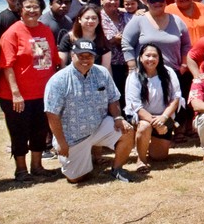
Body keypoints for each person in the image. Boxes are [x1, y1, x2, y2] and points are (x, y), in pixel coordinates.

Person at [45, 40, 136, 183]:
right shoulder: (59, 80)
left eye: (90, 56)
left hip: (99, 127)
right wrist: (62, 142)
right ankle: (84, 162)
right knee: (76, 179)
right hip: (72, 138)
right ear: (72, 55)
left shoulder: (102, 72)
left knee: (127, 130)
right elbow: (52, 114)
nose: (85, 60)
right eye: (81, 56)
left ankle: (117, 168)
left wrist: (118, 118)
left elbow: (113, 98)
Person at [0, 0, 59, 181]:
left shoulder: (45, 30)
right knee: (19, 132)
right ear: (20, 9)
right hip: (18, 96)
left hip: (42, 93)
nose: (32, 10)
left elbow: (54, 61)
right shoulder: (12, 33)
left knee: (40, 131)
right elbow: (7, 65)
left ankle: (37, 166)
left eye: (36, 6)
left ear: (41, 9)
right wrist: (16, 93)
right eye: (28, 7)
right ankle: (21, 170)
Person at [124, 44, 181, 172]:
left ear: (159, 58)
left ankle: (144, 143)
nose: (151, 59)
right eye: (147, 55)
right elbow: (136, 106)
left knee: (159, 157)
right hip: (142, 118)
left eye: (154, 56)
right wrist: (156, 123)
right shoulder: (134, 76)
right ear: (140, 58)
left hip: (163, 116)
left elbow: (176, 98)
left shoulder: (169, 72)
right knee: (145, 126)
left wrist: (163, 118)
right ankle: (141, 159)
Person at [122, 0, 191, 76]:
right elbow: (126, 43)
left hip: (173, 73)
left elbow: (186, 45)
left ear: (165, 2)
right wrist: (132, 67)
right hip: (145, 73)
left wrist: (184, 64)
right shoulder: (138, 20)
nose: (157, 3)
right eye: (153, 0)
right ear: (147, 2)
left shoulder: (177, 20)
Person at [100, 0, 131, 105]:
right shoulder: (97, 17)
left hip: (127, 65)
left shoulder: (124, 15)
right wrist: (114, 40)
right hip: (108, 66)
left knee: (126, 98)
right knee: (111, 99)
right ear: (102, 0)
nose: (113, 2)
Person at [57, 4, 112, 70]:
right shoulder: (69, 38)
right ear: (79, 19)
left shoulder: (103, 40)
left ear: (99, 21)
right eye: (87, 18)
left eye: (94, 18)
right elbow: (62, 65)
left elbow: (105, 68)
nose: (90, 21)